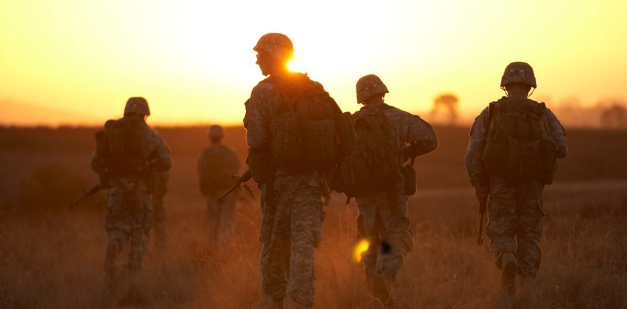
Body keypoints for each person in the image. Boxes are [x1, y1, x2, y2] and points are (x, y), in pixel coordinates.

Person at [244, 33, 343, 309]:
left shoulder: (263, 91)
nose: (257, 60)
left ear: (275, 56)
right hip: (312, 181)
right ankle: (302, 300)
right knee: (303, 241)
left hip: (278, 182)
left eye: (261, 54)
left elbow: (257, 139)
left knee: (276, 240)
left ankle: (273, 300)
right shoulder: (313, 87)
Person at [464, 62, 568, 296]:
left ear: (505, 85)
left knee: (501, 231)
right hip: (533, 185)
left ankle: (507, 257)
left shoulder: (491, 112)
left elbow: (472, 155)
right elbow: (563, 149)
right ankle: (528, 288)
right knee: (529, 235)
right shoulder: (542, 113)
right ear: (530, 85)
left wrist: (480, 184)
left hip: (500, 184)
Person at [351, 74, 438, 308]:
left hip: (364, 192)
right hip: (392, 190)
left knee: (369, 238)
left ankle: (373, 292)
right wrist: (406, 154)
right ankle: (385, 277)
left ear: (361, 96)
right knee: (395, 236)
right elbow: (431, 139)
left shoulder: (354, 122)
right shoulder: (399, 117)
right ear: (382, 91)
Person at [90, 97, 172, 288]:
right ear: (145, 114)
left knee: (118, 228)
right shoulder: (149, 134)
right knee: (140, 232)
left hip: (116, 192)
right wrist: (149, 167)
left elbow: (94, 163)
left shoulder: (111, 132)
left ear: (126, 111)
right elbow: (166, 162)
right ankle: (131, 281)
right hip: (141, 192)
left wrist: (113, 175)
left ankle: (115, 246)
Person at [197, 125, 241, 249]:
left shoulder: (205, 154)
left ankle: (212, 248)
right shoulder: (231, 152)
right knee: (228, 221)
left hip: (212, 194)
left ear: (210, 137)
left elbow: (201, 172)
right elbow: (237, 171)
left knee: (212, 222)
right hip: (228, 192)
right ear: (222, 137)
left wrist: (205, 189)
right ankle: (226, 247)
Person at [152, 170, 170, 250]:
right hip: (155, 192)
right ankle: (161, 249)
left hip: (138, 192)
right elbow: (166, 166)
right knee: (159, 223)